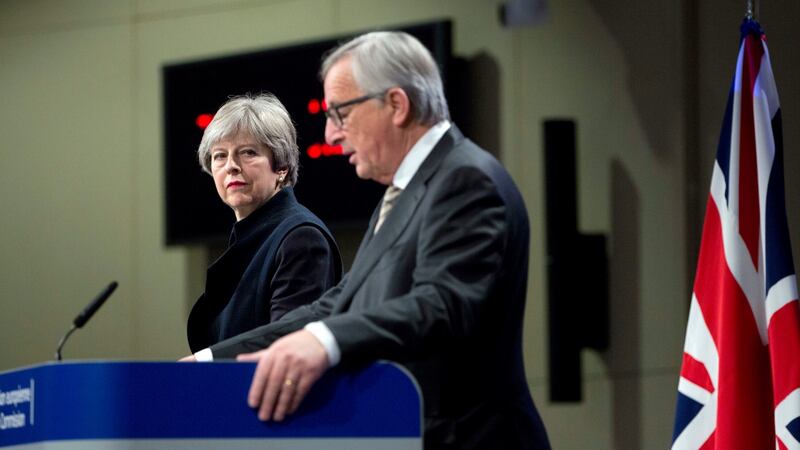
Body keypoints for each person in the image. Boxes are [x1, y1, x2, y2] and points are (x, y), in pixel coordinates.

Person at [189, 33, 551, 449]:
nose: (331, 133)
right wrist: (210, 360)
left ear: (396, 104)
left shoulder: (465, 180)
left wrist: (324, 342)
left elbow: (441, 304)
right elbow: (336, 302)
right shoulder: (400, 194)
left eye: (340, 113)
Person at [186, 93, 342, 354]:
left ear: (281, 165)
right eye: (220, 156)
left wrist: (206, 361)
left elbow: (287, 345)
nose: (231, 166)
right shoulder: (250, 239)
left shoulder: (301, 238)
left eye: (247, 152)